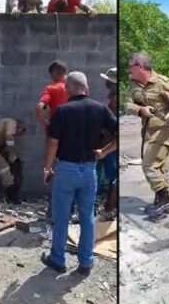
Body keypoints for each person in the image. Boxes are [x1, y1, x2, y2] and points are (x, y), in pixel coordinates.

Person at [41, 71, 117, 276]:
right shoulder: (100, 109)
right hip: (89, 170)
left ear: (68, 89)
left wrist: (47, 168)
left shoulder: (62, 111)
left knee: (61, 216)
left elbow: (53, 142)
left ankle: (58, 259)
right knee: (87, 217)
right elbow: (120, 132)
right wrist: (105, 151)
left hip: (66, 169)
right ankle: (85, 262)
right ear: (87, 89)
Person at [124, 52, 169, 218]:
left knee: (149, 164)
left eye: (131, 66)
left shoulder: (162, 82)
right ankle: (162, 200)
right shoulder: (133, 84)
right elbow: (127, 104)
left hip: (165, 129)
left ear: (140, 66)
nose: (129, 70)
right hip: (148, 130)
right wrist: (140, 110)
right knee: (159, 166)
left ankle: (165, 199)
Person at [35, 60, 72, 218]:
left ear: (54, 74)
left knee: (54, 171)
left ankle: (54, 211)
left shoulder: (51, 88)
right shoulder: (76, 87)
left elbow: (39, 107)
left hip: (57, 136)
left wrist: (45, 125)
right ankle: (71, 211)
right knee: (73, 171)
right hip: (76, 135)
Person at [98, 67, 118, 219]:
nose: (105, 82)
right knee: (111, 177)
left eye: (107, 80)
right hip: (108, 144)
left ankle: (110, 208)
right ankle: (111, 207)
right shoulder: (112, 98)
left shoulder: (115, 101)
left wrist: (105, 149)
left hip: (112, 145)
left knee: (114, 178)